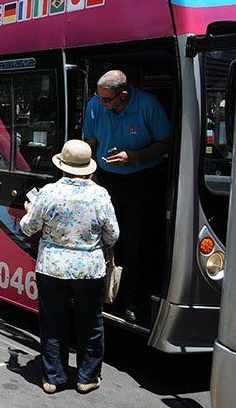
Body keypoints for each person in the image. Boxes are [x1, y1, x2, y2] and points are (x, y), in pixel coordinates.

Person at [20, 139, 119, 394]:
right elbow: (113, 235)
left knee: (53, 323)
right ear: (88, 168)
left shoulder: (48, 192)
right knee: (91, 323)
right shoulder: (100, 194)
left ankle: (53, 378)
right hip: (89, 271)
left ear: (62, 165)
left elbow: (28, 228)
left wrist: (30, 211)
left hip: (52, 268)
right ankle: (87, 378)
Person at [83, 70, 171, 324]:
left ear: (123, 95)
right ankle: (105, 292)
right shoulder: (95, 104)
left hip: (140, 179)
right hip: (106, 179)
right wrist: (90, 174)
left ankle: (131, 300)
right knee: (106, 236)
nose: (101, 104)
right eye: (99, 98)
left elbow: (166, 143)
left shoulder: (147, 105)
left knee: (134, 240)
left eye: (107, 100)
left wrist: (135, 157)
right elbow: (90, 141)